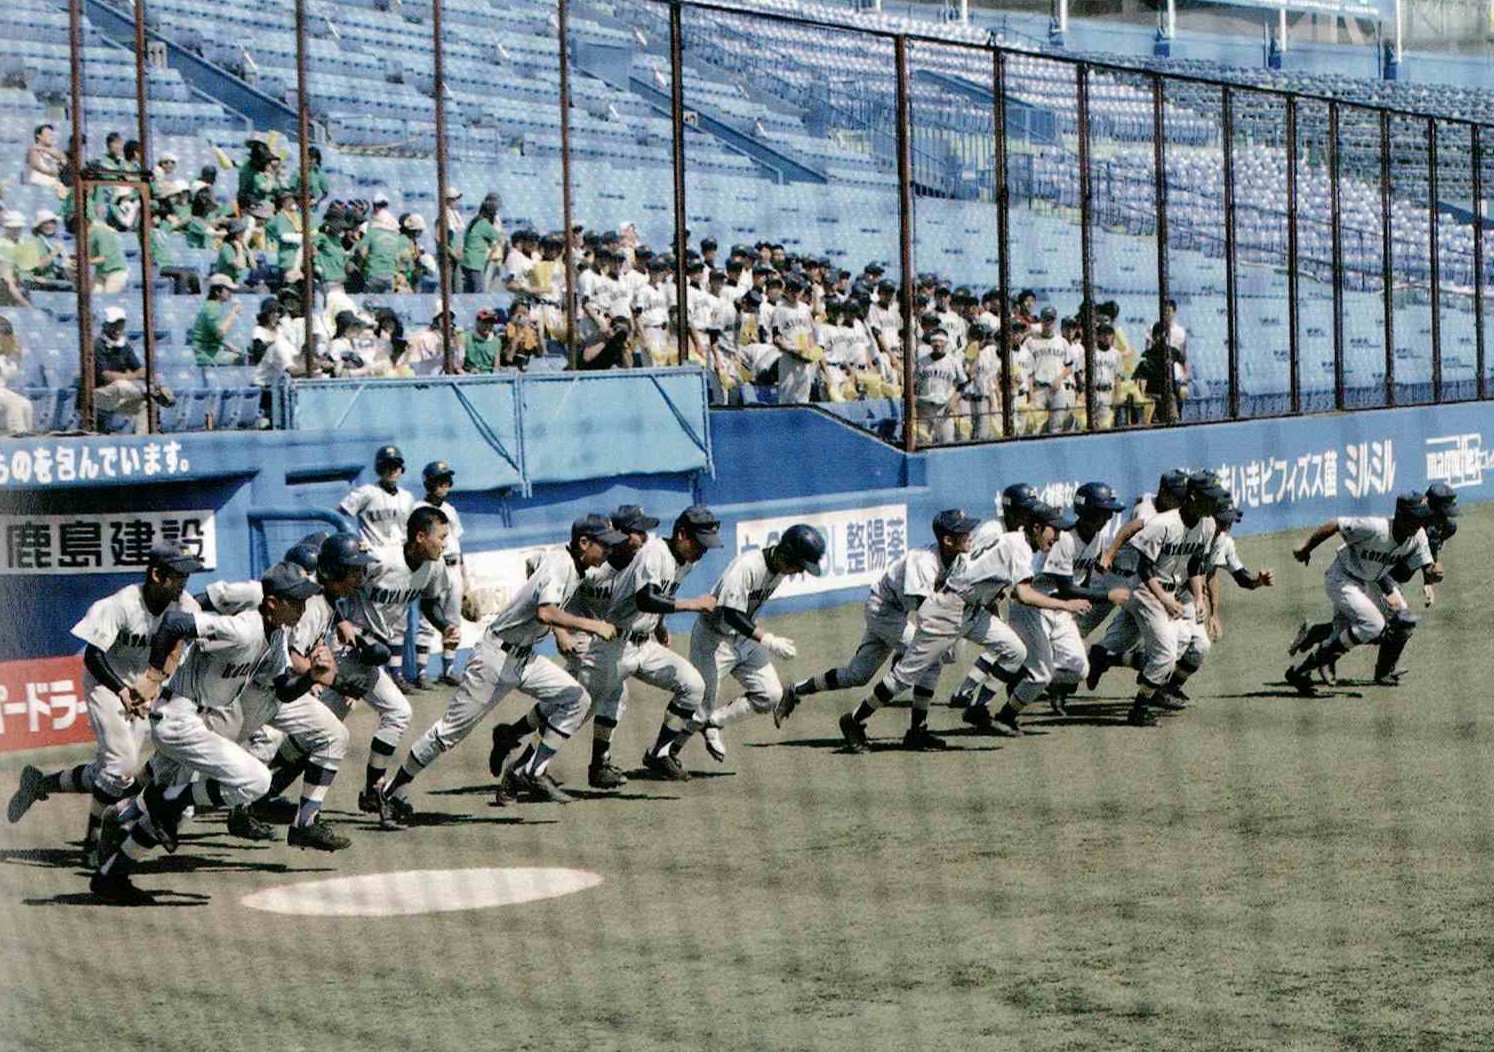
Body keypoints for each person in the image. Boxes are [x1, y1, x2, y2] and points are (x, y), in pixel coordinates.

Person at [89, 561, 330, 904]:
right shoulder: (244, 628)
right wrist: (153, 676)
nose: (303, 607)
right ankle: (162, 801)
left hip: (198, 721)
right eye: (296, 600)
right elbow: (174, 623)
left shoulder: (277, 635)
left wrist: (312, 676)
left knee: (170, 819)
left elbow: (283, 690)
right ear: (273, 603)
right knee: (256, 781)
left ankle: (111, 874)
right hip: (178, 717)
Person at [382, 514, 623, 815]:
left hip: (523, 658)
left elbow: (536, 574)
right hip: (494, 659)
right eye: (604, 545)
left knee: (577, 698)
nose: (609, 551)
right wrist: (591, 625)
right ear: (584, 543)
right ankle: (392, 789)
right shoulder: (561, 564)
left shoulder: (571, 564)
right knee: (449, 733)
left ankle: (528, 770)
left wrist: (560, 629)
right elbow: (546, 612)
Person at [6, 543, 203, 866]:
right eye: (178, 575)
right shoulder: (121, 605)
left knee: (110, 773)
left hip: (146, 686)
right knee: (120, 767)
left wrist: (154, 684)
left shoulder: (185, 605)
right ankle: (93, 842)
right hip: (107, 684)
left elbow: (177, 648)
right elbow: (93, 656)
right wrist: (123, 691)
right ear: (157, 574)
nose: (184, 582)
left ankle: (39, 783)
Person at [555, 505, 721, 787]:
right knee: (577, 706)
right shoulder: (651, 553)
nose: (704, 550)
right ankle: (524, 758)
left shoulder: (683, 561)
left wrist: (659, 625)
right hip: (612, 642)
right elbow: (646, 598)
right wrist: (559, 631)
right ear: (682, 534)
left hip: (643, 644)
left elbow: (658, 596)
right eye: (700, 542)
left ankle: (658, 754)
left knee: (693, 685)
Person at [785, 509, 978, 746]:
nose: (970, 534)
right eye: (963, 531)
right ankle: (915, 730)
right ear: (947, 540)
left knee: (857, 675)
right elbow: (926, 612)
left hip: (896, 612)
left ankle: (795, 690)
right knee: (931, 660)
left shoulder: (959, 560)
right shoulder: (924, 561)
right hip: (883, 610)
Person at [643, 523, 825, 771]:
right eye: (799, 565)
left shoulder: (780, 567)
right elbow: (731, 614)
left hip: (743, 639)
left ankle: (715, 722)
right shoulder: (747, 566)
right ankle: (662, 753)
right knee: (700, 707)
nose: (799, 571)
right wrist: (768, 639)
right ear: (786, 553)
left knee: (771, 694)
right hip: (713, 638)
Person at [1088, 473, 1226, 725]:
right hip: (1144, 591)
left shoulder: (1207, 525)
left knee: (1182, 644)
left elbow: (1195, 564)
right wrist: (1164, 599)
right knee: (1165, 655)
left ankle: (1105, 656)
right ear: (1193, 497)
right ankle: (1138, 710)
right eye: (1211, 498)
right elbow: (1143, 567)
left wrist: (1199, 598)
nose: (1215, 504)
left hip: (1171, 593)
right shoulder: (1162, 523)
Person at [1284, 493, 1440, 696]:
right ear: (1401, 515)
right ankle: (1309, 666)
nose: (1419, 523)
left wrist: (1432, 575)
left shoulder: (1418, 536)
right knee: (1373, 624)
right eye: (1416, 517)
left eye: (1422, 518)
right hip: (1342, 578)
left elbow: (1428, 567)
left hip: (1371, 581)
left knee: (1401, 621)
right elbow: (1335, 524)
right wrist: (1307, 548)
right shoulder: (1375, 527)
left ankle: (1304, 665)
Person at [412, 461, 467, 689]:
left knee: (453, 620)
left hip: (453, 566)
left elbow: (458, 544)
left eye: (446, 481)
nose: (444, 485)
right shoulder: (418, 508)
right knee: (427, 621)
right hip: (432, 566)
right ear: (429, 483)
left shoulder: (450, 509)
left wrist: (465, 577)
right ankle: (421, 673)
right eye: (439, 481)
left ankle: (449, 670)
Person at [1203, 497, 1274, 646]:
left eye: (1230, 521)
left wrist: (1258, 581)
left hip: (1188, 598)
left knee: (1198, 646)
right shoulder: (1195, 534)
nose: (1227, 526)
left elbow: (1241, 579)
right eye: (1224, 520)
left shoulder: (1224, 542)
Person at [94, 307, 172, 433]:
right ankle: (150, 392)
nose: (118, 328)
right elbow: (106, 376)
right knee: (120, 385)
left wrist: (155, 382)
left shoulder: (124, 346)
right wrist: (134, 376)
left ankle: (142, 439)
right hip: (99, 395)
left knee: (146, 405)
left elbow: (140, 370)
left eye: (121, 324)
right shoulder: (98, 345)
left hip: (119, 398)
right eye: (114, 324)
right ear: (106, 325)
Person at [340, 444, 415, 548]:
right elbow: (337, 515)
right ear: (379, 469)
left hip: (401, 554)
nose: (392, 470)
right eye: (387, 466)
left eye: (396, 466)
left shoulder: (407, 497)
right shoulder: (366, 492)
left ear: (401, 469)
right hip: (375, 555)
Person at [914, 329, 961, 445]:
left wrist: (954, 400)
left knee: (947, 443)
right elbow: (914, 384)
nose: (938, 344)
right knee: (922, 444)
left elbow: (963, 384)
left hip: (944, 409)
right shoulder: (922, 362)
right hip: (924, 407)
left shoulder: (954, 362)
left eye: (941, 342)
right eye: (935, 341)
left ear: (946, 343)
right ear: (931, 343)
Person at [189, 274, 244, 365]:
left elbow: (217, 336)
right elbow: (220, 332)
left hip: (210, 351)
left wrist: (231, 347)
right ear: (217, 292)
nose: (230, 293)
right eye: (228, 289)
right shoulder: (212, 308)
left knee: (240, 354)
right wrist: (233, 312)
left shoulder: (213, 306)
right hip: (205, 354)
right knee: (241, 359)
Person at [461, 193, 504, 293]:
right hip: (475, 263)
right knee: (478, 291)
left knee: (470, 292)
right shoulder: (483, 223)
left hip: (468, 261)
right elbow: (498, 237)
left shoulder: (475, 220)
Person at [0, 318, 32, 435]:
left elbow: (11, 375)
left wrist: (17, 358)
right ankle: (17, 434)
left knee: (26, 404)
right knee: (14, 402)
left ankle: (28, 438)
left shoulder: (2, 356)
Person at [26, 123, 68, 189]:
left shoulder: (53, 151)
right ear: (39, 136)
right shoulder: (33, 151)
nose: (51, 137)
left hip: (53, 186)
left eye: (52, 135)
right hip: (38, 186)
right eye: (48, 135)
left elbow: (63, 159)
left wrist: (43, 149)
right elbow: (37, 166)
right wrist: (52, 172)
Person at [462, 308, 503, 373]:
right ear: (477, 322)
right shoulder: (465, 337)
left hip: (489, 376)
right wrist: (467, 373)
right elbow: (457, 366)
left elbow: (496, 366)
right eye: (485, 322)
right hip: (469, 375)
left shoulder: (496, 341)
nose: (488, 325)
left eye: (491, 322)